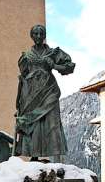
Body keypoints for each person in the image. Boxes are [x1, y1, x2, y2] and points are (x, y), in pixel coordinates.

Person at [14, 24, 75, 161]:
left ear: (45, 36)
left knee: (51, 122)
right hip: (30, 93)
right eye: (35, 34)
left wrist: (54, 65)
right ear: (31, 36)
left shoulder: (53, 53)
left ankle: (56, 155)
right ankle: (33, 155)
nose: (38, 36)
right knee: (34, 124)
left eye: (41, 34)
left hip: (49, 90)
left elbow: (69, 67)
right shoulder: (26, 56)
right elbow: (23, 76)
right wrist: (19, 101)